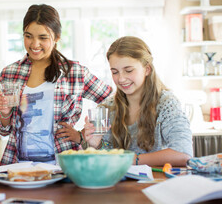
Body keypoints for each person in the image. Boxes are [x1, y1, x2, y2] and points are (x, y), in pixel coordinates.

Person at [0, 4, 112, 165]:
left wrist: (83, 135)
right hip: (17, 166)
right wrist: (5, 113)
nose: (34, 44)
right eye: (28, 36)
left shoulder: (75, 73)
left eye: (43, 38)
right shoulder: (9, 73)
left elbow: (113, 102)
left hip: (63, 166)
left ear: (56, 38)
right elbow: (2, 129)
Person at [83, 36, 193, 166]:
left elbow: (183, 153)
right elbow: (106, 159)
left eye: (128, 70)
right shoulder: (106, 107)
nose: (121, 79)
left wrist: (131, 159)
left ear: (147, 69)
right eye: (115, 72)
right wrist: (96, 144)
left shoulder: (166, 104)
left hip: (156, 183)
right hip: (120, 184)